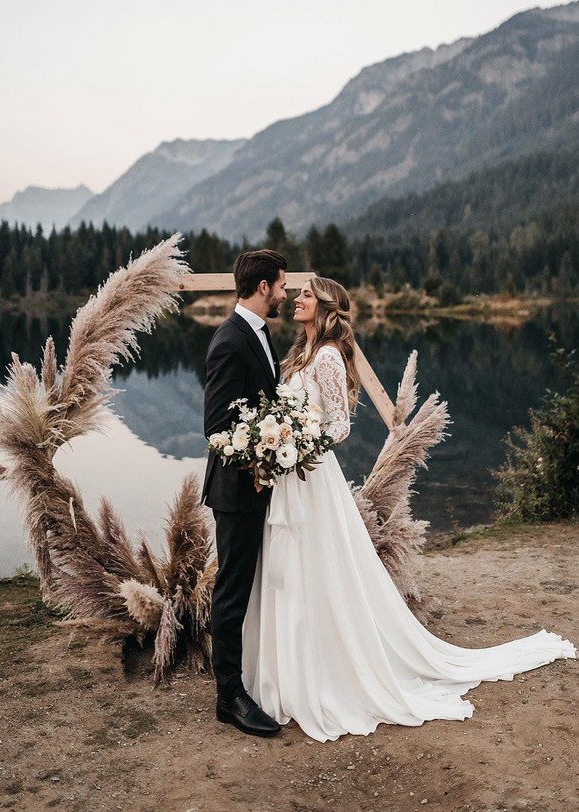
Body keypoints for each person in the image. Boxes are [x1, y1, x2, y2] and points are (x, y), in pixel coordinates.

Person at [241, 276, 576, 742]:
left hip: (310, 477)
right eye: (295, 293)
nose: (297, 299)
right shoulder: (301, 353)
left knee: (315, 567)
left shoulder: (330, 357)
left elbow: (338, 428)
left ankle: (325, 672)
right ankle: (290, 667)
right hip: (289, 479)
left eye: (306, 295)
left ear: (325, 306)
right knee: (289, 569)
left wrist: (294, 445)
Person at [202, 248, 288, 737]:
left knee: (250, 586)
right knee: (232, 590)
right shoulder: (230, 341)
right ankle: (229, 697)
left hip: (259, 487)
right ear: (262, 288)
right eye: (280, 285)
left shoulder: (260, 333)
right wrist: (260, 454)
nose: (284, 293)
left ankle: (249, 678)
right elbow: (215, 425)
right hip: (235, 490)